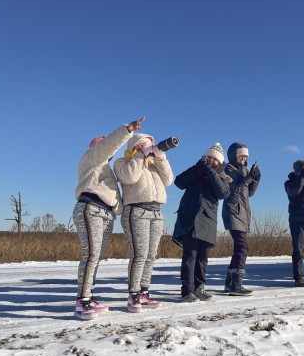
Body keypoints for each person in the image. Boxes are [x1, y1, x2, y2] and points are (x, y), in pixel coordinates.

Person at [72, 116, 143, 320]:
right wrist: (127, 130)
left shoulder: (105, 170)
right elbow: (107, 146)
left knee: (96, 257)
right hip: (91, 208)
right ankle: (82, 300)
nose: (110, 152)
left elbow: (114, 197)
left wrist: (121, 208)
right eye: (104, 145)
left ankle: (88, 295)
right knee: (91, 255)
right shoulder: (92, 157)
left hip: (105, 213)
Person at [113, 131, 174, 312]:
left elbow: (169, 180)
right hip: (136, 211)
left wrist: (160, 157)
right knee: (139, 255)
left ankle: (143, 292)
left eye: (148, 145)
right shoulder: (122, 162)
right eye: (142, 145)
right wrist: (140, 155)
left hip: (156, 212)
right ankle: (133, 295)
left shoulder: (153, 165)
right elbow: (129, 177)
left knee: (150, 256)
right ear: (134, 147)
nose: (146, 148)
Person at [172, 143, 231, 302]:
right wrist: (198, 169)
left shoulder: (223, 176)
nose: (211, 160)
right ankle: (187, 290)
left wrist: (211, 173)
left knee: (203, 257)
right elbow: (178, 182)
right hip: (189, 219)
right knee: (190, 255)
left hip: (208, 221)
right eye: (209, 157)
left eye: (215, 159)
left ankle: (200, 288)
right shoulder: (196, 169)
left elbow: (223, 193)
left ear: (220, 162)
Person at [222, 142, 261, 296]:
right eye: (241, 155)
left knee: (239, 248)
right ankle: (236, 285)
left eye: (246, 156)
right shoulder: (228, 169)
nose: (244, 158)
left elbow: (249, 192)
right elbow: (233, 190)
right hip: (233, 211)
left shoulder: (243, 170)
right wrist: (248, 178)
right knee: (242, 247)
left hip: (243, 212)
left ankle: (230, 283)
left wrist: (256, 179)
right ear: (233, 155)